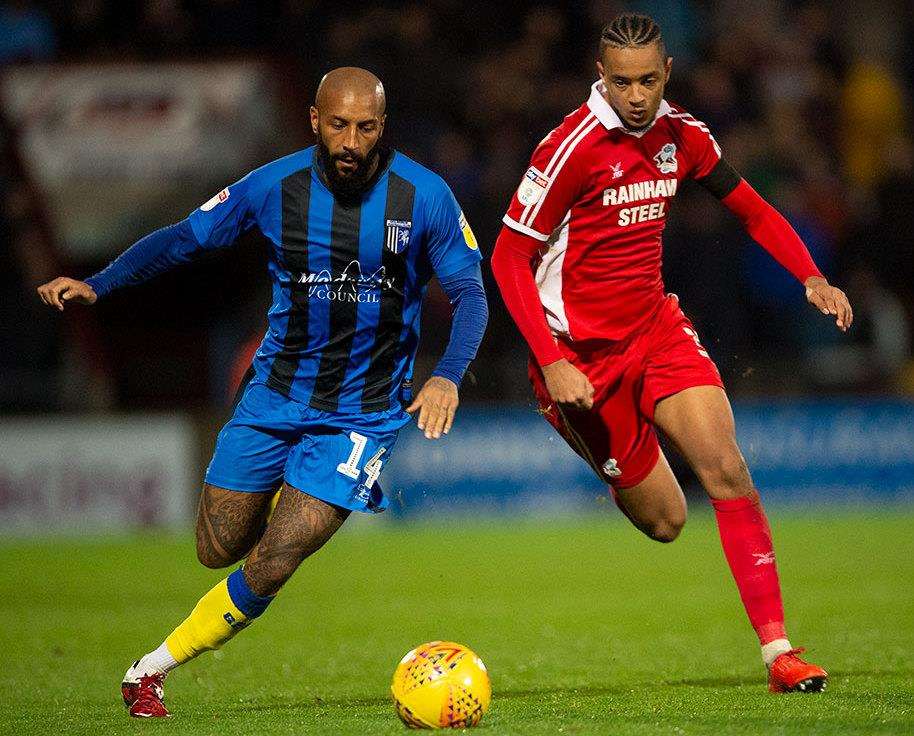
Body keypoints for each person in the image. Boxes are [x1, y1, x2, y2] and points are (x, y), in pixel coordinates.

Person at [37, 67, 488, 717]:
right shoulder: (274, 187)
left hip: (361, 417)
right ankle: (280, 484)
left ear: (382, 128)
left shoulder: (426, 197)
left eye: (366, 127)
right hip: (274, 398)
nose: (352, 140)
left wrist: (445, 375)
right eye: (338, 125)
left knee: (277, 559)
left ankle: (150, 671)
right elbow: (185, 238)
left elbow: (473, 295)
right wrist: (100, 284)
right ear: (314, 121)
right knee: (215, 549)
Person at [491, 14, 851, 693]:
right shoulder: (569, 148)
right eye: (622, 81)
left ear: (668, 74)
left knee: (726, 467)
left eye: (648, 81)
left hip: (655, 330)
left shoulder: (683, 134)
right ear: (601, 76)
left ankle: (780, 654)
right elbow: (509, 258)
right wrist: (551, 358)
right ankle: (613, 450)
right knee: (666, 521)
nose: (635, 96)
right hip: (578, 361)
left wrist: (811, 275)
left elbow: (752, 209)